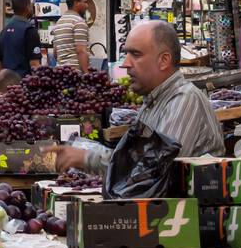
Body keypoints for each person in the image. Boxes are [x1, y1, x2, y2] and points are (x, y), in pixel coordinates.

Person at [51, 21, 225, 175]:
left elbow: (155, 171)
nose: (125, 63)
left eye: (136, 54)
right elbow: (134, 159)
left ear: (164, 60)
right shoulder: (153, 101)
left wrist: (88, 159)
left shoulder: (184, 100)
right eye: (126, 54)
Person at [0, 0, 42, 77]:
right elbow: (34, 65)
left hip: (7, 86)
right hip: (23, 85)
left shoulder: (4, 31)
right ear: (27, 7)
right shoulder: (30, 31)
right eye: (31, 5)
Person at [52, 0, 91, 69]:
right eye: (85, 2)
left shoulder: (59, 22)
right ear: (76, 3)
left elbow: (56, 52)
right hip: (75, 74)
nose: (87, 6)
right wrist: (86, 74)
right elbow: (81, 51)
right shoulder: (78, 22)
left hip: (61, 73)